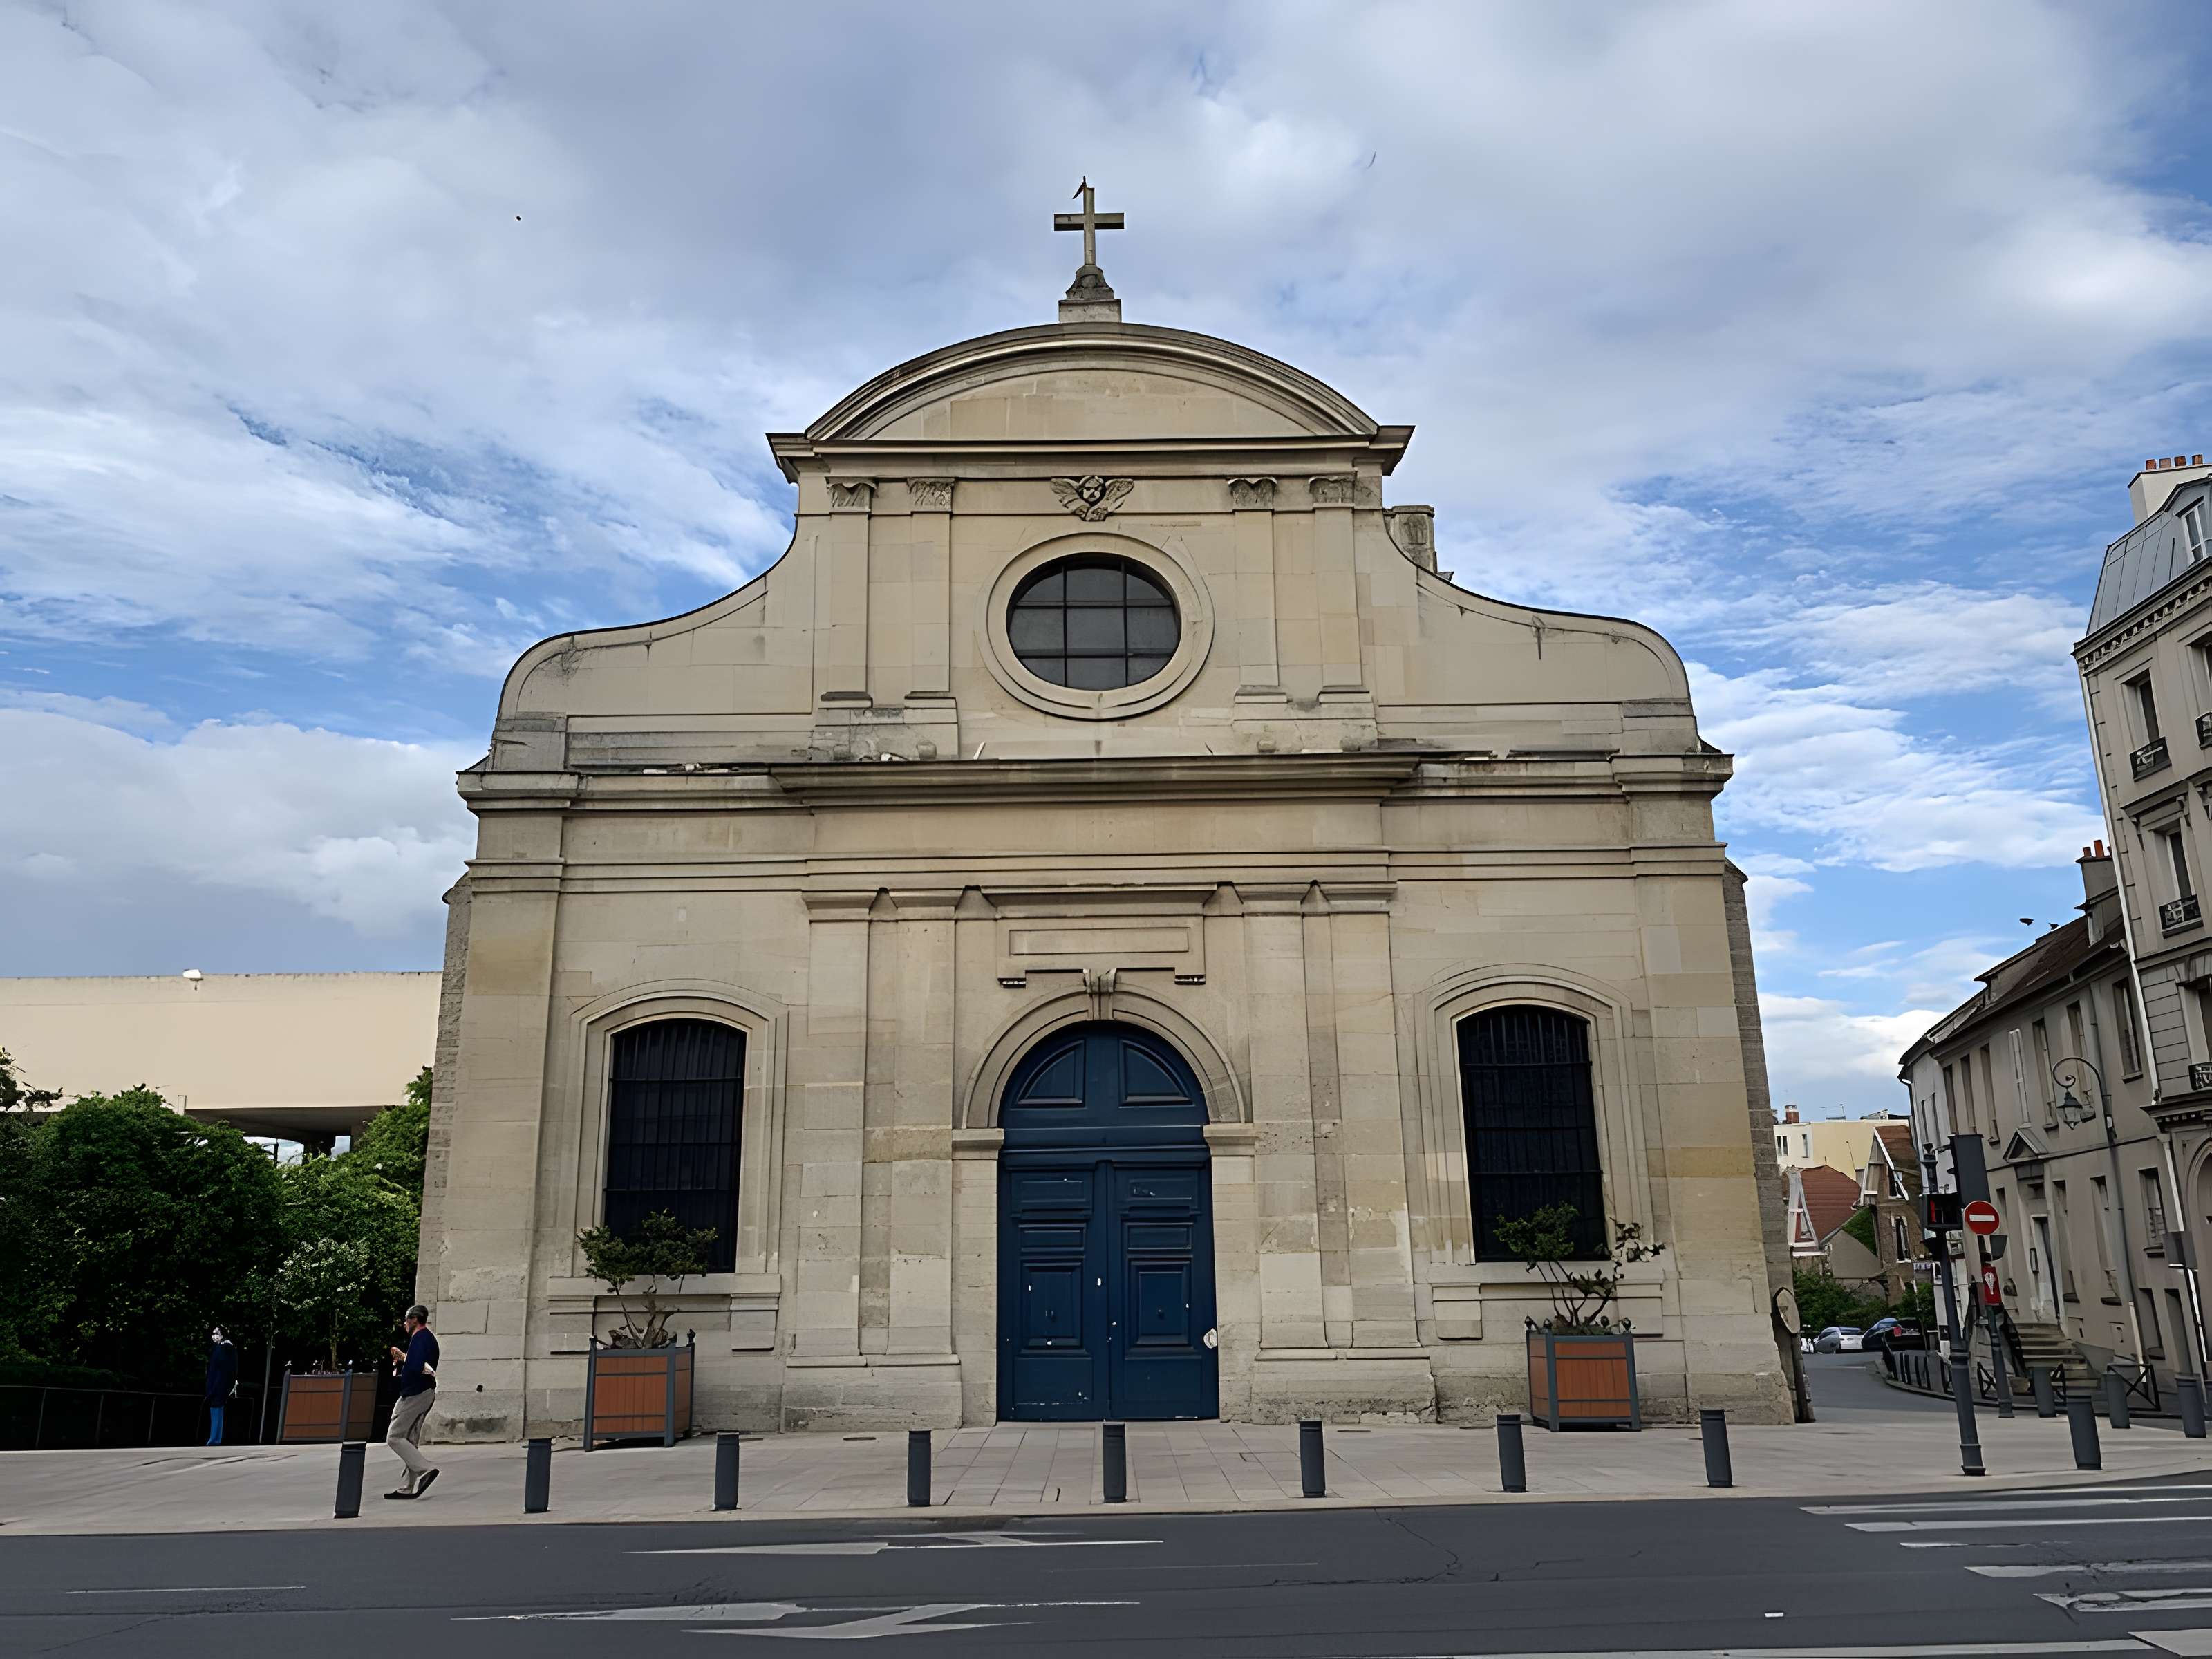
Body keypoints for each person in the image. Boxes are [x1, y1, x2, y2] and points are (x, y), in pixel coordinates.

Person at [384, 1303, 440, 1499]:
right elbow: (420, 1364)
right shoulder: (428, 1339)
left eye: (407, 1319)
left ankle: (426, 1469)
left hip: (415, 1394)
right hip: (424, 1393)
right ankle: (407, 1487)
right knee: (408, 1440)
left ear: (415, 1320)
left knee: (394, 1436)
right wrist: (404, 1357)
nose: (405, 1323)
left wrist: (404, 1364)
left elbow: (419, 1367)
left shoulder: (420, 1338)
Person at [203, 1327, 238, 1446]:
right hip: (220, 1385)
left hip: (218, 1385)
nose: (213, 1336)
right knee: (217, 1410)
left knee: (216, 1410)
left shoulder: (223, 1349)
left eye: (216, 1334)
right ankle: (215, 1438)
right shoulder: (226, 1348)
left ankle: (214, 1439)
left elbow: (220, 1370)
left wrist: (213, 1388)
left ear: (222, 1335)